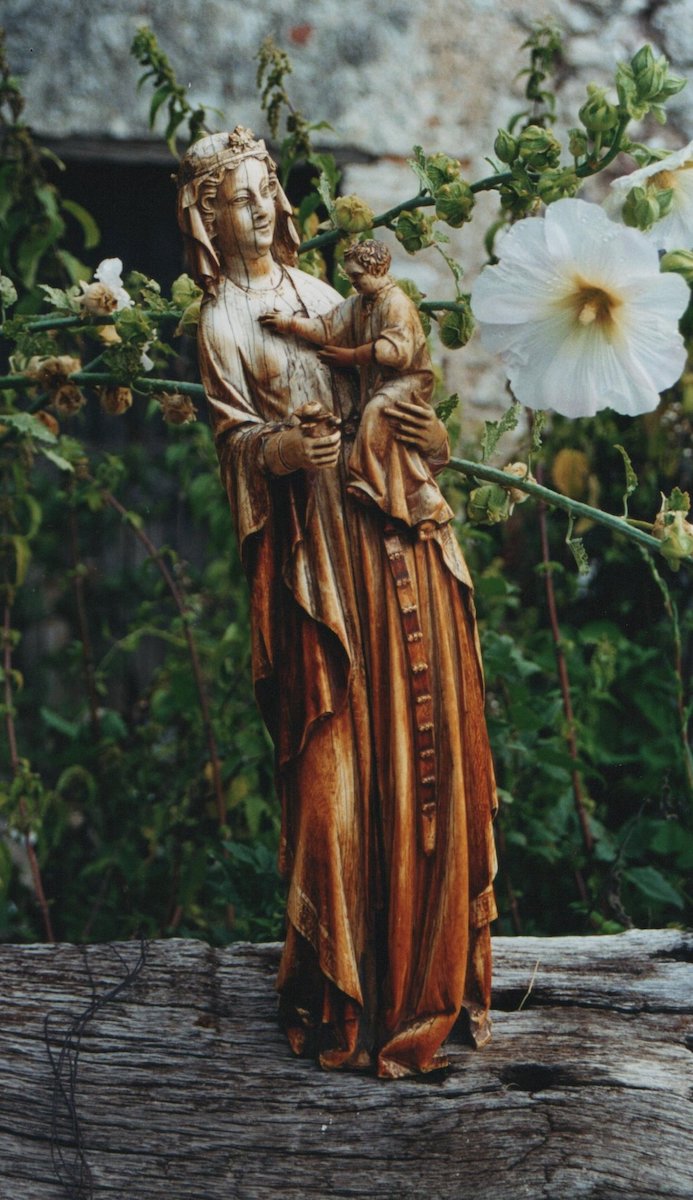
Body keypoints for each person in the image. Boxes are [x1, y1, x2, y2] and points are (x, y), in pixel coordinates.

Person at [177, 127, 498, 1078]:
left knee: (426, 746)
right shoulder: (221, 325)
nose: (261, 207)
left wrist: (403, 421)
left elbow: (384, 377)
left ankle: (424, 973)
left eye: (266, 188)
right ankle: (344, 984)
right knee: (337, 771)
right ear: (206, 217)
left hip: (390, 533)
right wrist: (277, 453)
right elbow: (234, 439)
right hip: (319, 565)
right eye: (238, 196)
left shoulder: (325, 294)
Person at [260, 238, 454, 528]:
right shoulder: (361, 304)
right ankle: (412, 505)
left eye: (357, 276)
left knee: (376, 411)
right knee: (389, 437)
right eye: (350, 277)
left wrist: (350, 356)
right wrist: (289, 324)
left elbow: (395, 353)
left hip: (408, 381)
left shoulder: (397, 304)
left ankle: (371, 486)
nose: (353, 283)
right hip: (381, 382)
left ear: (376, 269)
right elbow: (326, 329)